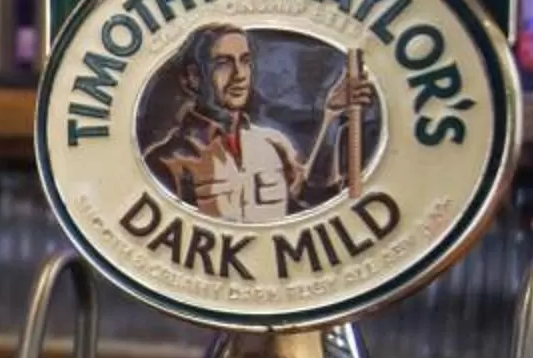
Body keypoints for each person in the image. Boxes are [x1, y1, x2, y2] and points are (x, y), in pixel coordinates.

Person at [141, 26, 367, 224]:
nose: (240, 75)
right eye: (223, 64)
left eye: (245, 61)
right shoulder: (168, 161)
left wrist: (332, 117)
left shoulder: (273, 144)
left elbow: (314, 198)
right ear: (193, 78)